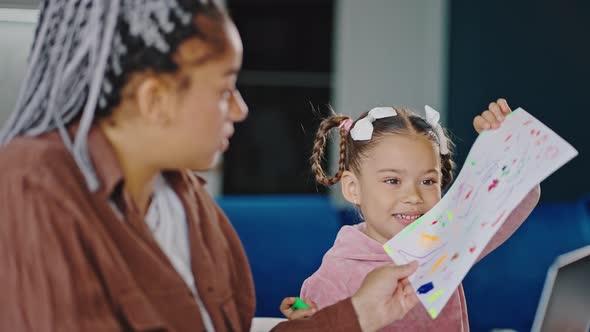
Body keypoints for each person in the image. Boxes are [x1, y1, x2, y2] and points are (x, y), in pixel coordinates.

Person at [0, 1, 420, 331]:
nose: (240, 109)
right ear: (155, 99)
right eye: (223, 90)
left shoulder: (186, 202)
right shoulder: (30, 188)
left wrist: (359, 314)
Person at [300, 100, 541, 331]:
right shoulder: (332, 278)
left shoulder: (446, 241)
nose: (413, 196)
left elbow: (519, 198)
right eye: (392, 180)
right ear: (353, 188)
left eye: (427, 181)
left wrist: (509, 144)